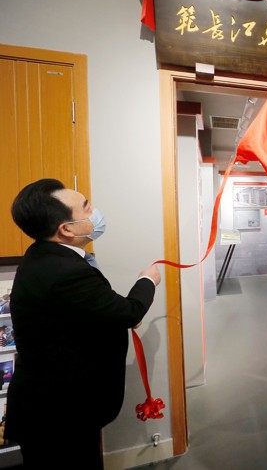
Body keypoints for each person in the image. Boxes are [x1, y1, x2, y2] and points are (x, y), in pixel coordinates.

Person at [5, 178, 161, 469]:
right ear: (66, 229)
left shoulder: (44, 255)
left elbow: (76, 316)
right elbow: (129, 313)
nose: (95, 211)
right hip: (58, 414)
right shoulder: (64, 271)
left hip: (55, 407)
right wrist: (147, 280)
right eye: (86, 207)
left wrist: (111, 318)